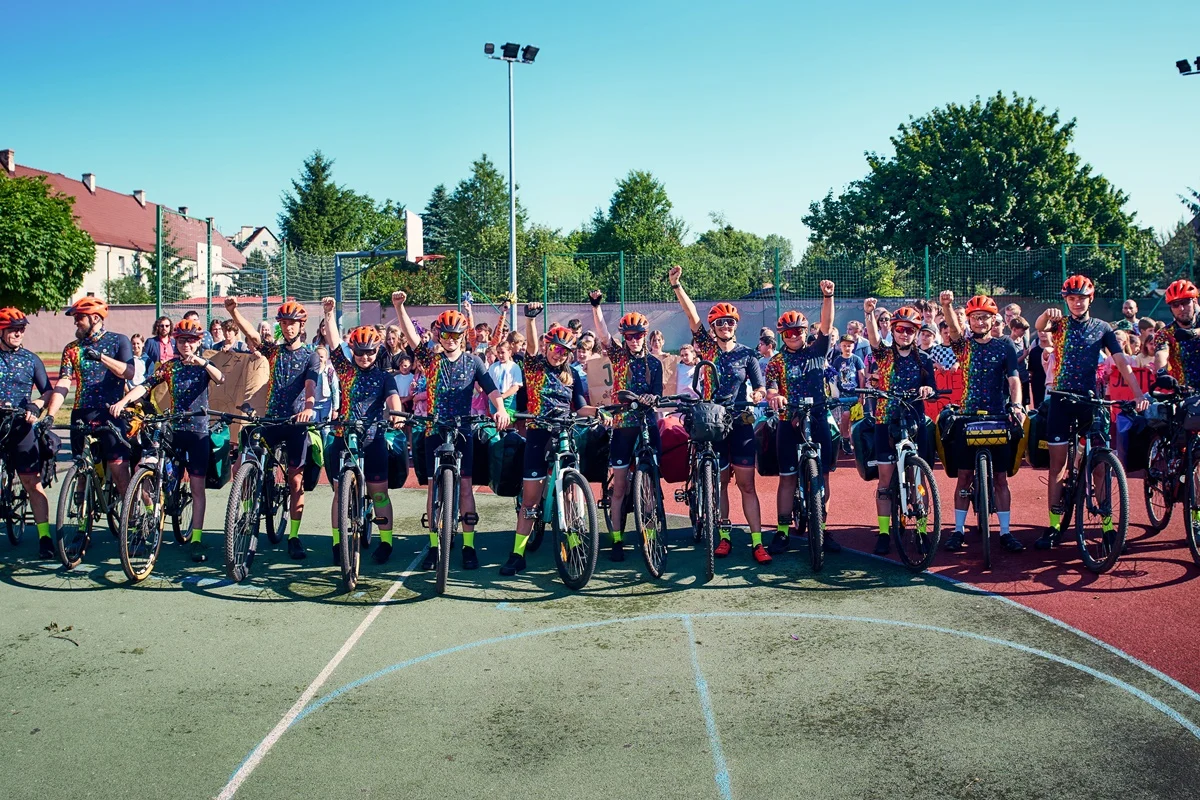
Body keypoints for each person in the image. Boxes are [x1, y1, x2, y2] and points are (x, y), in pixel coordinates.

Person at [392, 291, 510, 571]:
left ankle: (469, 546)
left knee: (466, 487)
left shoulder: (473, 361)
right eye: (446, 334)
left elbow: (491, 388)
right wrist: (399, 307)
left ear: (462, 336)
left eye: (456, 335)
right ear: (440, 335)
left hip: (462, 429)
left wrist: (501, 409)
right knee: (434, 490)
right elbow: (411, 336)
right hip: (435, 428)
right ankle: (434, 546)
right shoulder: (431, 359)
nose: (451, 340)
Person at [1033, 275, 1148, 550]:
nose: (1076, 303)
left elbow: (1121, 361)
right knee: (1058, 465)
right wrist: (1045, 315)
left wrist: (1138, 393)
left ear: (1090, 299)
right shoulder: (1059, 324)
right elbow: (1040, 327)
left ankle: (1107, 527)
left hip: (1090, 400)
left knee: (1099, 465)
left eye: (1081, 298)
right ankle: (1054, 526)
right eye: (1071, 299)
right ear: (1066, 301)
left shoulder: (1103, 327)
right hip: (1061, 400)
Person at [669, 265, 768, 562]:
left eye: (729, 322)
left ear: (735, 326)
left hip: (740, 421)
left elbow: (760, 387)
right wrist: (677, 286)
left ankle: (757, 542)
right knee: (721, 483)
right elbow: (691, 316)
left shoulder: (748, 354)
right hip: (713, 422)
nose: (725, 326)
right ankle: (724, 536)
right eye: (720, 323)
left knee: (747, 485)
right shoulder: (707, 348)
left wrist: (758, 395)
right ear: (713, 328)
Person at [109, 319, 225, 562]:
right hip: (175, 429)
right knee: (152, 469)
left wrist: (201, 361)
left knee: (196, 488)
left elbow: (220, 378)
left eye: (190, 341)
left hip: (198, 432)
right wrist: (124, 401)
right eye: (181, 340)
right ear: (176, 342)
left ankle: (196, 539)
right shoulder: (170, 367)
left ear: (198, 343)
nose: (186, 345)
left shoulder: (204, 365)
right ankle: (153, 516)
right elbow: (145, 386)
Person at [499, 312, 598, 576]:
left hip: (564, 433)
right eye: (555, 348)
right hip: (538, 434)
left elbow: (580, 406)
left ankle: (574, 543)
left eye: (564, 351)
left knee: (571, 494)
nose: (558, 354)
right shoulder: (535, 367)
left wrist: (599, 412)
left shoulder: (572, 375)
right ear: (548, 347)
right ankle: (517, 554)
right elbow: (531, 347)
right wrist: (531, 321)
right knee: (530, 501)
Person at [225, 297, 319, 560]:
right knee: (246, 461)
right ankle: (247, 509)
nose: (288, 327)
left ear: (301, 326)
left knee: (295, 480)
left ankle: (294, 536)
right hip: (271, 420)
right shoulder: (275, 351)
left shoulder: (310, 355)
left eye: (293, 323)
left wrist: (309, 407)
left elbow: (311, 385)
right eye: (284, 323)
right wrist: (233, 312)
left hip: (296, 422)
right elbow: (252, 336)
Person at [317, 299, 404, 564]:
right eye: (360, 352)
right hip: (344, 435)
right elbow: (333, 341)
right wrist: (329, 313)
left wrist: (397, 415)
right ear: (353, 350)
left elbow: (393, 398)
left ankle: (386, 542)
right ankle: (337, 542)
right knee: (338, 493)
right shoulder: (344, 369)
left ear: (378, 351)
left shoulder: (384, 376)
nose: (365, 357)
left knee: (379, 493)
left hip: (373, 437)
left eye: (370, 352)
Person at [938, 293, 1025, 553]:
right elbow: (953, 329)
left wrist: (1017, 406)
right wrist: (946, 306)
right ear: (969, 320)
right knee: (964, 476)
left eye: (985, 317)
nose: (980, 322)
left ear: (993, 320)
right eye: (975, 317)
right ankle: (958, 530)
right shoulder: (963, 345)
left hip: (997, 415)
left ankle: (1006, 532)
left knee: (1000, 478)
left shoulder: (1005, 346)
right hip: (968, 416)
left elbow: (1013, 379)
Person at [45, 298, 137, 527]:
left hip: (110, 413)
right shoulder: (72, 348)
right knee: (81, 468)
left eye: (79, 317)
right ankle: (82, 519)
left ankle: (131, 517)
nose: (76, 322)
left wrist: (101, 357)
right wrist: (50, 414)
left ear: (95, 318)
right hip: (81, 412)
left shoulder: (118, 340)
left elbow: (128, 372)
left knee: (118, 468)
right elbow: (63, 382)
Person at [765, 280, 841, 557]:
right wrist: (775, 396)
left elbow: (827, 323)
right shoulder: (776, 361)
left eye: (798, 330)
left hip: (819, 417)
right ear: (782, 335)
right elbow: (771, 387)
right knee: (787, 478)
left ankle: (822, 527)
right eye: (788, 332)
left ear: (805, 332)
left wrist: (828, 296)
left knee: (823, 476)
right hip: (789, 421)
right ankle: (782, 532)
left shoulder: (817, 351)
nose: (794, 335)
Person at [589, 289, 664, 562]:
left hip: (647, 424)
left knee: (652, 486)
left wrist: (653, 398)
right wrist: (596, 306)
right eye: (629, 336)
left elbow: (658, 393)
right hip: (623, 424)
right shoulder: (619, 356)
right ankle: (617, 539)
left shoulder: (655, 363)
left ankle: (652, 534)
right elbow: (602, 335)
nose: (633, 340)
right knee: (619, 487)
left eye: (638, 335)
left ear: (646, 335)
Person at [862, 299, 936, 556]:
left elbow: (932, 387)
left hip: (915, 421)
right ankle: (884, 533)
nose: (905, 334)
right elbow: (874, 339)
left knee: (919, 478)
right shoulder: (883, 354)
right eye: (900, 329)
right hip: (886, 420)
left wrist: (927, 389)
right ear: (892, 330)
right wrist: (869, 314)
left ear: (917, 333)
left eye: (910, 330)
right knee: (885, 480)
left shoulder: (924, 359)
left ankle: (922, 530)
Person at [0, 309, 56, 558]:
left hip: (21, 426)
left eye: (21, 329)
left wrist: (35, 406)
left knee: (32, 483)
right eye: (13, 329)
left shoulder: (31, 359)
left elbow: (47, 391)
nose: (18, 333)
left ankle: (45, 537)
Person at [1153, 280, 1200, 388]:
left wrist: (1193, 333)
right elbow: (1161, 353)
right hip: (1186, 392)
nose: (1181, 308)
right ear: (1171, 308)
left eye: (1185, 302)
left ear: (1194, 302)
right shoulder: (1165, 333)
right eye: (1175, 304)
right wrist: (1162, 373)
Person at [829, 334, 866, 451]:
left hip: (855, 392)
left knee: (856, 417)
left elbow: (861, 377)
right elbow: (834, 378)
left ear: (853, 346)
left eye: (849, 346)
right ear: (840, 346)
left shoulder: (857, 359)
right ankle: (845, 438)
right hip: (843, 394)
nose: (847, 348)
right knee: (845, 415)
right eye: (844, 346)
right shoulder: (837, 361)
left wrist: (862, 395)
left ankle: (855, 440)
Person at [487, 340, 523, 415]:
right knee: (495, 419)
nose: (500, 355)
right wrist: (494, 397)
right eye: (498, 352)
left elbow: (516, 386)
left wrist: (502, 396)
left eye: (503, 352)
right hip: (494, 398)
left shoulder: (514, 367)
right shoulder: (493, 367)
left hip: (508, 399)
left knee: (507, 419)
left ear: (509, 352)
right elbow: (488, 384)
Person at [312, 346, 338, 423]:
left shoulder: (330, 371)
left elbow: (335, 390)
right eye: (317, 356)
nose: (319, 358)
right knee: (314, 426)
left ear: (326, 358)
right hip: (313, 403)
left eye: (322, 357)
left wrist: (335, 409)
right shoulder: (310, 371)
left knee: (326, 426)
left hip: (326, 403)